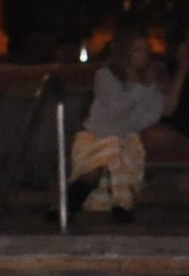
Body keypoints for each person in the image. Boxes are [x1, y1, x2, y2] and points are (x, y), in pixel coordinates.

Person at [69, 31, 172, 220]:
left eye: (145, 49)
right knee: (107, 153)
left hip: (125, 139)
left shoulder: (150, 86)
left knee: (119, 149)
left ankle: (120, 207)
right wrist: (140, 89)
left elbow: (148, 117)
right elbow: (114, 109)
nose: (143, 55)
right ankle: (69, 204)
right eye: (137, 49)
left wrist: (157, 91)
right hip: (95, 135)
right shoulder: (105, 76)